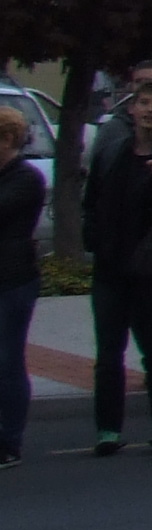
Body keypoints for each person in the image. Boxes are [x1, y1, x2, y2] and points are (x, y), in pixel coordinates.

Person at [82, 76, 152, 457]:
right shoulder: (112, 152)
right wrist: (95, 240)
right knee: (109, 352)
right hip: (110, 267)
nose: (150, 110)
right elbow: (92, 201)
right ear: (131, 109)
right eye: (144, 103)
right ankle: (108, 429)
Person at [0, 106, 39, 467]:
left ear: (8, 139)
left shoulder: (25, 178)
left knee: (8, 359)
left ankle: (9, 440)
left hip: (13, 280)